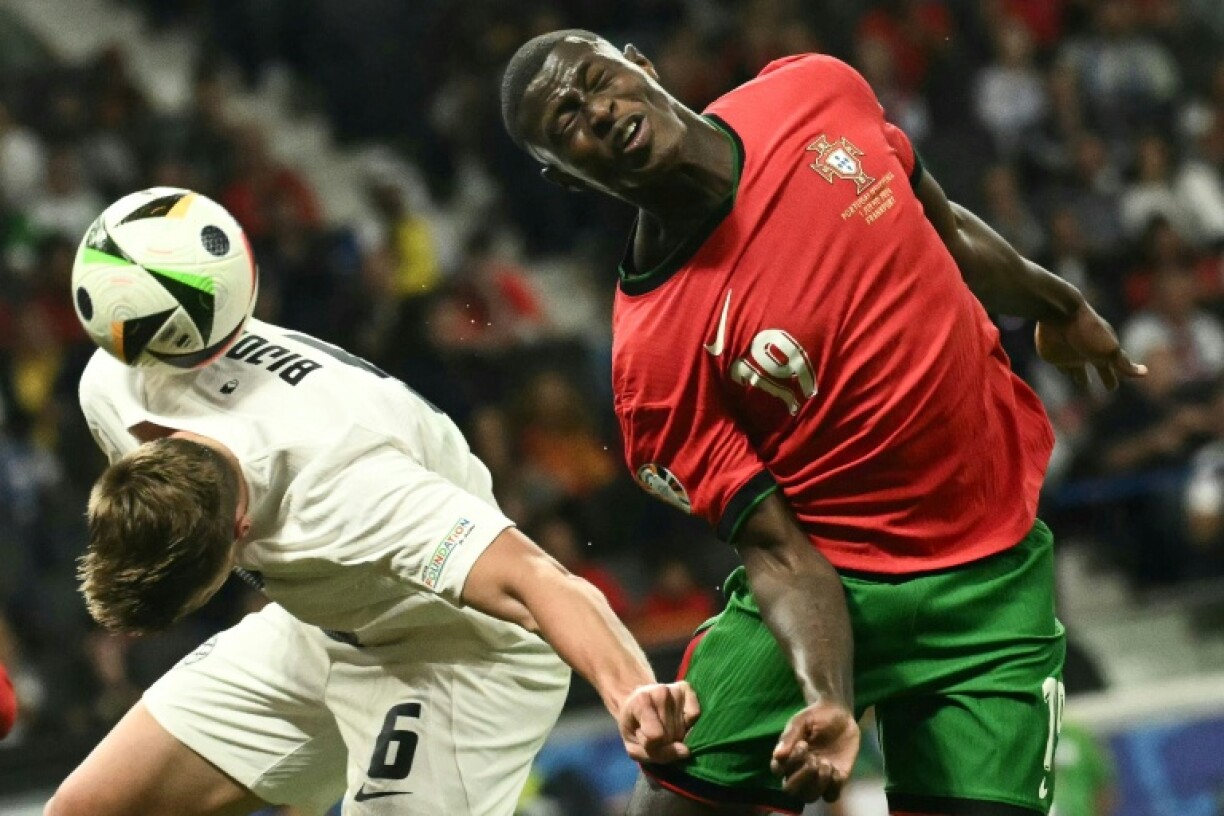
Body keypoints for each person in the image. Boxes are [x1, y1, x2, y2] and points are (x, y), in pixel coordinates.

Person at [500, 29, 1145, 816]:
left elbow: (938, 226)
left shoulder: (814, 92)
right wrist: (829, 697)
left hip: (990, 580)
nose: (596, 112)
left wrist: (1061, 305)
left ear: (639, 62)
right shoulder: (654, 362)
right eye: (566, 122)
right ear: (564, 175)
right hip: (830, 589)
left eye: (596, 80)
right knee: (673, 803)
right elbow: (778, 553)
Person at [45, 318, 699, 816]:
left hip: (458, 657)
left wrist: (631, 693)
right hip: (317, 626)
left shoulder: (350, 492)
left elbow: (539, 581)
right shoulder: (119, 382)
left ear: (241, 535)